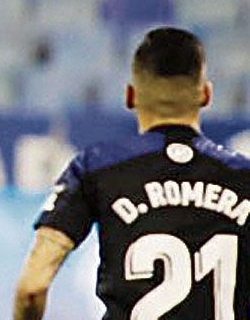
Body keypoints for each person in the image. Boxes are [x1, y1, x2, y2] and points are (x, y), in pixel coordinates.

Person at [14, 27, 250, 319]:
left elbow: (32, 288)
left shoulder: (97, 167)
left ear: (130, 96)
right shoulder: (243, 176)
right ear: (205, 94)